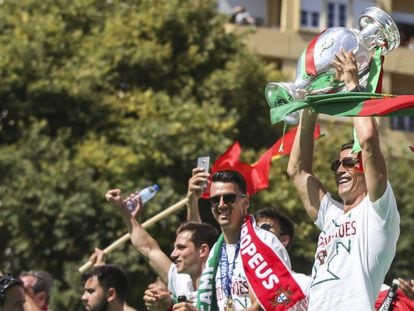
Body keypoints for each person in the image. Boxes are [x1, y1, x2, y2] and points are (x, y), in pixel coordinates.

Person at [287, 49, 400, 310]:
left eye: (349, 162)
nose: (340, 169)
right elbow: (297, 171)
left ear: (365, 169)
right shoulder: (331, 214)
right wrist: (310, 106)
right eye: (337, 163)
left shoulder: (377, 212)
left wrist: (351, 84)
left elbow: (369, 141)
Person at [196, 170, 304, 310]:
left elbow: (280, 299)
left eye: (229, 198)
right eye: (215, 200)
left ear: (246, 201)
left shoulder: (265, 242)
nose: (221, 205)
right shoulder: (215, 254)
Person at [105, 188, 219, 309]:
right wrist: (123, 209)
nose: (173, 254)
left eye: (181, 248)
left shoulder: (223, 279)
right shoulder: (179, 279)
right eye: (175, 248)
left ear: (203, 250)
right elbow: (147, 247)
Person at [254, 207, 312, 294]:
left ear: (283, 241)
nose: (257, 234)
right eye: (253, 229)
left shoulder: (304, 286)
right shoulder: (233, 280)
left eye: (264, 228)